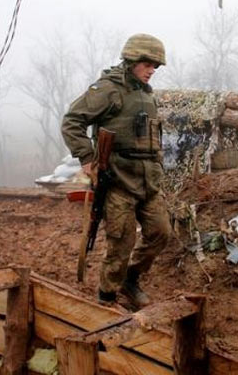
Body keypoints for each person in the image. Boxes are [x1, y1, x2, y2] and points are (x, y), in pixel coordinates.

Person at [61, 33, 171, 308]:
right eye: (148, 64)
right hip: (118, 180)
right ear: (133, 60)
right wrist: (87, 158)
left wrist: (157, 168)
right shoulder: (109, 89)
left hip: (148, 181)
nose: (152, 71)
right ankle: (107, 297)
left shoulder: (146, 94)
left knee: (161, 232)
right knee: (121, 242)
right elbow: (72, 121)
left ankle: (130, 279)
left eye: (155, 66)